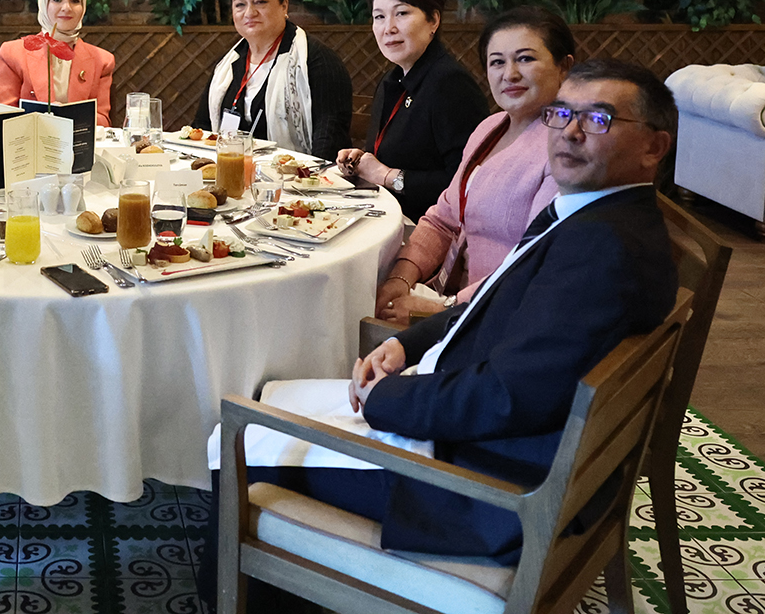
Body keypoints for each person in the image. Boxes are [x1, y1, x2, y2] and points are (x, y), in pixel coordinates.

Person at [216, 58, 680, 572]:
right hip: (483, 434)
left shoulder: (601, 252)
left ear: (653, 147)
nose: (570, 132)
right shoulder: (600, 215)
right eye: (563, 113)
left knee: (227, 438)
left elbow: (507, 396)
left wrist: (385, 400)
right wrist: (407, 344)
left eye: (598, 119)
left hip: (480, 486)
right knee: (273, 397)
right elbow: (494, 301)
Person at [373, 7, 575, 321]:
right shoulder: (489, 128)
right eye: (497, 62)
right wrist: (401, 276)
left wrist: (440, 310)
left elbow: (533, 260)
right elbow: (443, 219)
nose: (510, 74)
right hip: (453, 296)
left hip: (500, 315)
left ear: (564, 67)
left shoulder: (569, 148)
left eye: (525, 59)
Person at [335, 0, 487, 219]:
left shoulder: (450, 83)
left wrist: (387, 175)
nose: (388, 28)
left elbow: (467, 182)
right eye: (379, 17)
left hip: (431, 228)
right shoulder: (393, 80)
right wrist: (362, 161)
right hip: (385, 216)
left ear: (433, 21)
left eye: (402, 13)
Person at [193, 0, 352, 159]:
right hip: (230, 169)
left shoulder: (317, 60)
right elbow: (202, 127)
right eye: (240, 4)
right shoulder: (228, 64)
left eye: (260, 2)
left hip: (297, 174)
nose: (249, 12)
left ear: (284, 6)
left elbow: (329, 142)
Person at [0, 0, 117, 125]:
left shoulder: (102, 60)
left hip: (77, 139)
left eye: (75, 1)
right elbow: (3, 117)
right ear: (44, 3)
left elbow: (102, 121)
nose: (66, 8)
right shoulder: (12, 53)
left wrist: (65, 117)